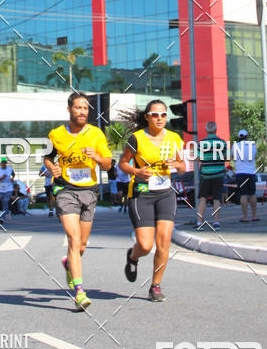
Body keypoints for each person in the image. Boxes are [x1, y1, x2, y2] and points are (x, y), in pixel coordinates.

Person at [44, 92, 112, 311]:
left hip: (89, 192)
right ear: (69, 110)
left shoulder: (96, 134)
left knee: (81, 245)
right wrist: (51, 167)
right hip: (65, 190)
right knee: (73, 239)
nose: (82, 112)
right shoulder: (55, 134)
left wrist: (98, 158)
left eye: (85, 108)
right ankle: (80, 292)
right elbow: (47, 156)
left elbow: (109, 164)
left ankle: (68, 263)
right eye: (78, 108)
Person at [119, 99, 186, 301]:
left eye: (163, 115)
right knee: (146, 245)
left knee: (164, 241)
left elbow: (183, 167)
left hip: (165, 193)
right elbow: (122, 164)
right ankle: (133, 256)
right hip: (141, 194)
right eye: (155, 114)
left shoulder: (174, 138)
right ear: (147, 117)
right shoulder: (136, 138)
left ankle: (155, 286)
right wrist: (136, 170)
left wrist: (175, 163)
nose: (160, 118)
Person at [196, 121, 228, 230]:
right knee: (216, 199)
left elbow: (198, 157)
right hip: (218, 174)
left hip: (205, 174)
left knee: (203, 198)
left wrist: (207, 158)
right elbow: (226, 157)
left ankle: (199, 222)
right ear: (216, 130)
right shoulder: (222, 143)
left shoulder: (201, 143)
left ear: (206, 130)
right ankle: (216, 222)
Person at [233, 130, 258, 222]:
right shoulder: (252, 145)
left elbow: (233, 157)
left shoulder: (235, 146)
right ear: (247, 136)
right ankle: (254, 216)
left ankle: (245, 217)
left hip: (240, 173)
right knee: (252, 194)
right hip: (251, 172)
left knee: (243, 195)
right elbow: (255, 155)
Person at [0, 155, 14, 220]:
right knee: (3, 203)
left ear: (6, 163)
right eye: (2, 163)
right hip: (1, 189)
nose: (3, 164)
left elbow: (13, 174)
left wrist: (12, 178)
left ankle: (2, 217)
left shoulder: (10, 169)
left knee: (6, 201)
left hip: (9, 189)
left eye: (4, 162)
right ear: (1, 164)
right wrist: (2, 178)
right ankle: (7, 212)